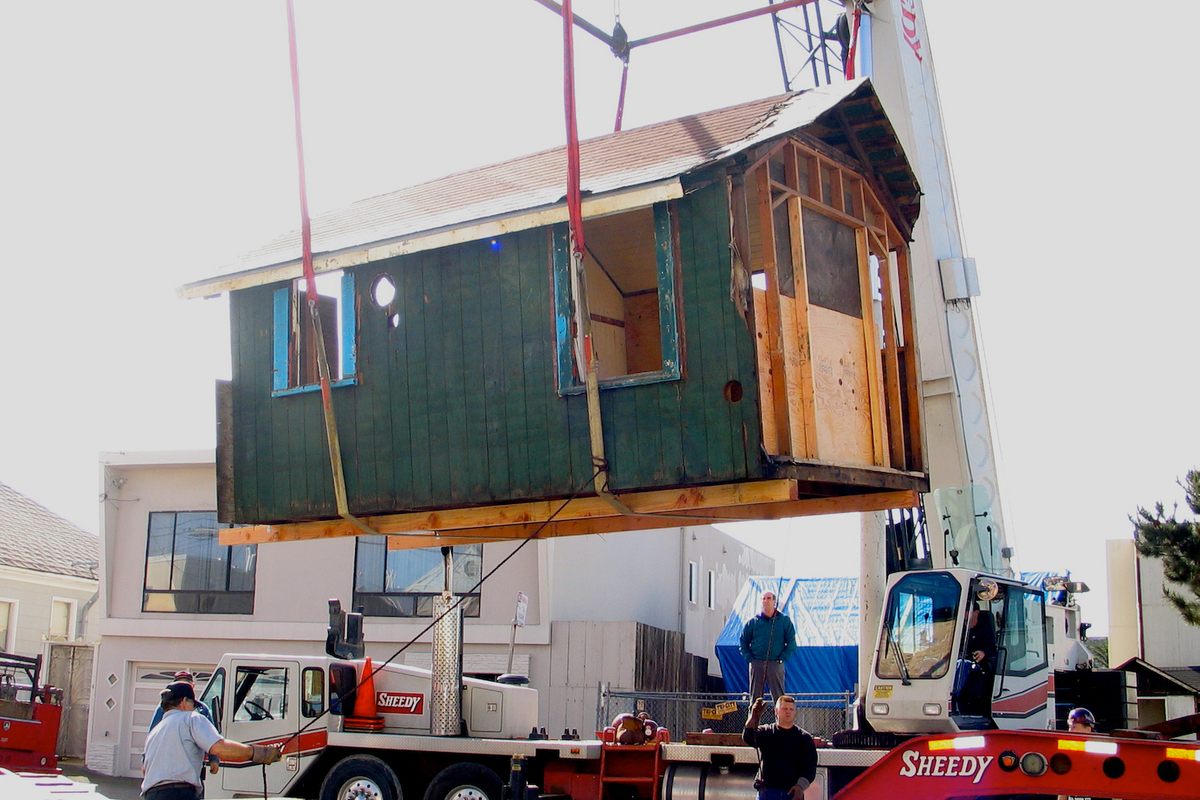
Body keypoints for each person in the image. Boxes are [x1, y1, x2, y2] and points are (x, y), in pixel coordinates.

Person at [141, 681, 281, 800]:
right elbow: (219, 748)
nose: (194, 708)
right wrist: (259, 752)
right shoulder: (191, 718)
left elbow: (144, 769)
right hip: (178, 793)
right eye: (193, 704)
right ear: (184, 702)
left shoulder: (155, 731)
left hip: (151, 794)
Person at [742, 696, 817, 800]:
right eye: (784, 709)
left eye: (791, 709)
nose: (788, 712)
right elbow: (748, 737)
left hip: (792, 793)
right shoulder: (766, 731)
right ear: (776, 711)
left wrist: (800, 787)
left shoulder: (804, 738)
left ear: (795, 712)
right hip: (767, 792)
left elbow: (810, 767)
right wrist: (753, 717)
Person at [739, 590, 796, 701]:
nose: (766, 601)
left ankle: (780, 718)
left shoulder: (784, 621)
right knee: (755, 698)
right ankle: (754, 718)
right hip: (757, 663)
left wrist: (781, 658)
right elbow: (743, 642)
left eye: (769, 598)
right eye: (763, 598)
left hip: (775, 664)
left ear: (774, 601)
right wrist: (750, 659)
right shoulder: (753, 622)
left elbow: (791, 643)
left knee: (779, 698)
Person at [956, 601, 997, 716]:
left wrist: (983, 653)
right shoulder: (961, 630)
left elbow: (993, 648)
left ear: (976, 612)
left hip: (984, 666)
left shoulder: (986, 629)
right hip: (964, 664)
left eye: (968, 615)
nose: (966, 621)